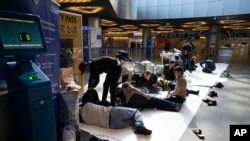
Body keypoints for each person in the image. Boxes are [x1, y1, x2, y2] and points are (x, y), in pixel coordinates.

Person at [79, 91, 152, 135]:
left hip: (113, 125)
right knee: (136, 112)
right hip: (114, 113)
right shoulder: (87, 105)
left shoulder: (85, 121)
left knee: (134, 119)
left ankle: (138, 128)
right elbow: (105, 103)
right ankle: (140, 125)